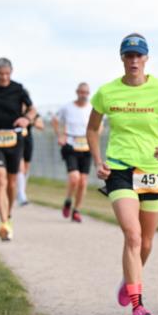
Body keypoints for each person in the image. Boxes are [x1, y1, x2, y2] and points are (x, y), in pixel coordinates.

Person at [86, 33, 158, 315]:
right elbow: (92, 129)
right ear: (122, 58)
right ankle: (138, 307)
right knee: (133, 235)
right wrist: (98, 160)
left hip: (153, 168)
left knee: (147, 242)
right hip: (120, 168)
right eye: (129, 55)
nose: (134, 60)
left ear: (147, 58)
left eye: (139, 55)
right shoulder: (107, 92)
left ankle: (130, 279)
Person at [0, 57, 36, 241]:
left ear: (11, 72)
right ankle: (3, 222)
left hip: (14, 139)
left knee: (11, 183)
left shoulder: (18, 89)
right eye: (1, 74)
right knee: (0, 179)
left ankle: (8, 214)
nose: (4, 77)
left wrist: (26, 118)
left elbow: (32, 110)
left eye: (7, 74)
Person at [53, 82, 94, 222]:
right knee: (74, 178)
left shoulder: (92, 108)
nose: (84, 95)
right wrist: (59, 135)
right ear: (77, 92)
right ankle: (68, 200)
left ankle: (76, 210)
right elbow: (55, 119)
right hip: (71, 144)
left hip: (87, 146)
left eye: (86, 93)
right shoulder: (67, 107)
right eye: (81, 92)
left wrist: (94, 138)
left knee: (83, 182)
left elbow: (98, 126)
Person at [16, 112, 44, 207]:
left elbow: (41, 126)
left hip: (27, 141)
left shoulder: (32, 112)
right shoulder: (15, 108)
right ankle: (22, 195)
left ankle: (21, 190)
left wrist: (30, 121)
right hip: (16, 140)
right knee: (21, 167)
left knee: (26, 168)